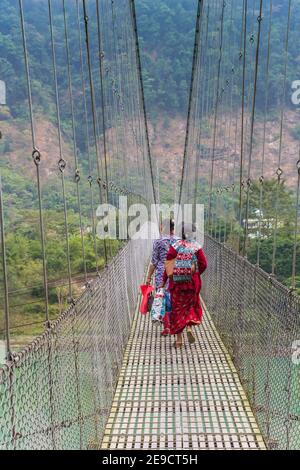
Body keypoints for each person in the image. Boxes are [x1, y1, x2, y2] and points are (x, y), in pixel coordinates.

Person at [161, 223, 207, 348]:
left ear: (181, 233)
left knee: (177, 309)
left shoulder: (175, 246)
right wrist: (195, 274)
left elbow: (168, 266)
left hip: (177, 284)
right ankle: (189, 328)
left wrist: (163, 281)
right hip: (192, 284)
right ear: (193, 234)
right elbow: (204, 264)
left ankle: (179, 340)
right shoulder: (197, 247)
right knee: (191, 305)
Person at [146, 218, 177, 334]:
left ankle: (167, 326)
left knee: (163, 298)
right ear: (173, 228)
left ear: (162, 227)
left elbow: (154, 262)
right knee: (174, 297)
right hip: (176, 273)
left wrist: (148, 277)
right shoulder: (178, 241)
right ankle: (176, 325)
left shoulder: (158, 241)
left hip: (161, 274)